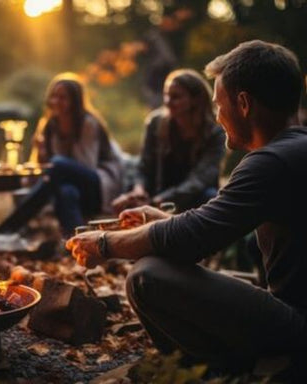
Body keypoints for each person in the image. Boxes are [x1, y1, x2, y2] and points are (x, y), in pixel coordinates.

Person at [67, 40, 307, 373]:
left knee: (146, 277)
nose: (218, 116)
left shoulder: (271, 162)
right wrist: (165, 220)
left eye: (218, 104)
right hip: (290, 311)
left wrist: (104, 244)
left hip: (297, 329)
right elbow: (208, 230)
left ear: (244, 104)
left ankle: (213, 373)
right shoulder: (294, 152)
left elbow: (195, 238)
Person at [0, 72, 122, 236]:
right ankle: (78, 242)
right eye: (53, 96)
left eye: (62, 97)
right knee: (66, 192)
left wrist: (55, 164)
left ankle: (8, 229)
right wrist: (42, 154)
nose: (55, 101)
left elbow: (86, 165)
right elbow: (46, 168)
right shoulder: (50, 125)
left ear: (74, 101)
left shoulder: (88, 123)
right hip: (72, 187)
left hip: (99, 186)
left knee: (58, 164)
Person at [112, 69, 225, 214]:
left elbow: (200, 180)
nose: (167, 101)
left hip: (192, 196)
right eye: (166, 95)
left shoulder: (215, 131)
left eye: (175, 97)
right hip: (157, 192)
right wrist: (139, 190)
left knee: (210, 196)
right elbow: (144, 165)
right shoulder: (156, 122)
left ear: (195, 99)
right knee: (126, 198)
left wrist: (160, 200)